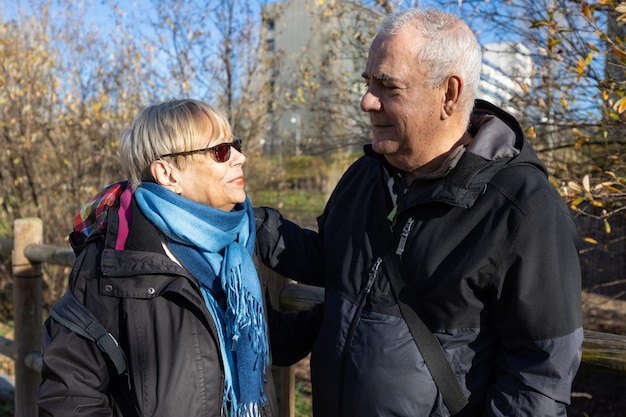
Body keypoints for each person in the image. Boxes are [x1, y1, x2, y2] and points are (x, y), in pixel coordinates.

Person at [254, 8, 583, 417]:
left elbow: (538, 379)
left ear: (448, 94)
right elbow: (334, 259)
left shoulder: (522, 209)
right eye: (368, 82)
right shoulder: (364, 176)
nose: (366, 101)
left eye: (387, 86)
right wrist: (241, 221)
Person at [38, 99, 319, 417]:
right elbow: (68, 393)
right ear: (168, 174)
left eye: (235, 145)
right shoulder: (115, 262)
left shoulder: (236, 244)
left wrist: (340, 314)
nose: (240, 158)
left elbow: (264, 341)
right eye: (221, 151)